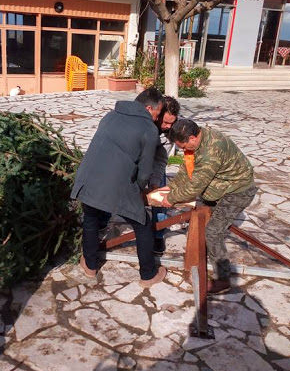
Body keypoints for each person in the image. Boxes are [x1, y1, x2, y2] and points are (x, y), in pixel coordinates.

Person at [71, 87, 167, 288]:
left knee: (91, 216)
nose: (157, 119)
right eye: (158, 114)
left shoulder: (110, 115)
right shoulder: (148, 129)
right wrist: (140, 190)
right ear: (149, 109)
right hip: (117, 182)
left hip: (89, 177)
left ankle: (89, 265)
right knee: (142, 223)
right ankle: (148, 275)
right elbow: (145, 170)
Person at [159, 118, 257, 295]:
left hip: (238, 191)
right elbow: (188, 169)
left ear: (192, 138)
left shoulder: (211, 152)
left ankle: (223, 279)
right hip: (222, 185)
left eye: (182, 146)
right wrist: (172, 186)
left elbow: (194, 187)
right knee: (200, 219)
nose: (182, 150)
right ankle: (200, 255)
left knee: (213, 232)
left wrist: (171, 198)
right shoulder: (199, 138)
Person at [149, 96, 180, 255]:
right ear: (157, 115)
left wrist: (154, 182)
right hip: (136, 161)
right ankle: (103, 219)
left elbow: (162, 159)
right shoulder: (145, 124)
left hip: (154, 162)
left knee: (160, 194)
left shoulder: (170, 133)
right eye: (165, 122)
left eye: (171, 123)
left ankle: (158, 233)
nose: (168, 126)